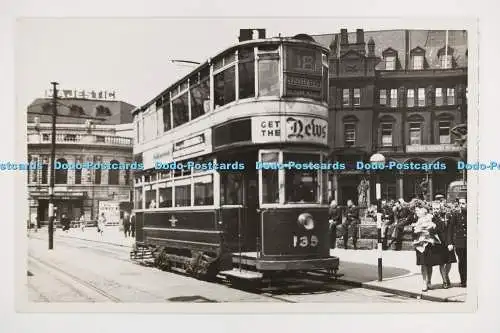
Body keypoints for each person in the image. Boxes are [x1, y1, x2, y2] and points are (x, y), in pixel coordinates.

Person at [412, 202, 444, 292]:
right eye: (416, 211)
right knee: (423, 264)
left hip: (429, 244)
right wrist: (416, 231)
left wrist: (430, 229)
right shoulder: (415, 219)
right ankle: (424, 283)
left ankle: (429, 281)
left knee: (429, 264)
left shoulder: (430, 218)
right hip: (420, 245)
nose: (417, 212)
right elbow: (413, 232)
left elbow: (436, 229)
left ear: (424, 211)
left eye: (418, 210)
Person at [433, 203, 457, 289]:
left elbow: (451, 230)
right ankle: (445, 281)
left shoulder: (447, 216)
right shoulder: (432, 218)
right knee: (442, 263)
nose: (435, 210)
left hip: (448, 241)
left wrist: (451, 243)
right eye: (434, 209)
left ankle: (446, 275)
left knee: (449, 262)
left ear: (440, 208)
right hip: (439, 243)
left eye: (437, 208)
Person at [448, 198, 467, 287]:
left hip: (470, 242)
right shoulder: (455, 214)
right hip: (460, 242)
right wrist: (450, 242)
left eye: (463, 203)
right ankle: (463, 280)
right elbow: (450, 229)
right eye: (460, 203)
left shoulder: (471, 214)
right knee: (462, 261)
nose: (461, 205)